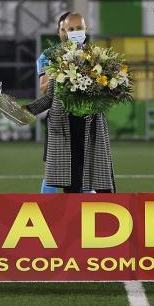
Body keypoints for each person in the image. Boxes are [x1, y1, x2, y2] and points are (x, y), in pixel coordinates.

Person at [26, 12, 115, 194]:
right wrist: (27, 110)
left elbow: (108, 91)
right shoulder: (52, 57)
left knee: (96, 176)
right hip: (63, 124)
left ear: (86, 29)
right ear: (63, 32)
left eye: (79, 29)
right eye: (70, 29)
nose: (75, 32)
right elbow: (48, 93)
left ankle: (102, 214)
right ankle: (49, 212)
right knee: (61, 175)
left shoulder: (96, 57)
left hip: (91, 125)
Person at [35, 11, 69, 194]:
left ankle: (87, 217)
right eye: (62, 29)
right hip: (58, 119)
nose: (66, 33)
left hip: (86, 119)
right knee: (53, 172)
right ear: (58, 33)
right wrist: (62, 73)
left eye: (71, 29)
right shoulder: (48, 55)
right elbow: (43, 89)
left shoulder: (91, 56)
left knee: (86, 171)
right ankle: (46, 215)